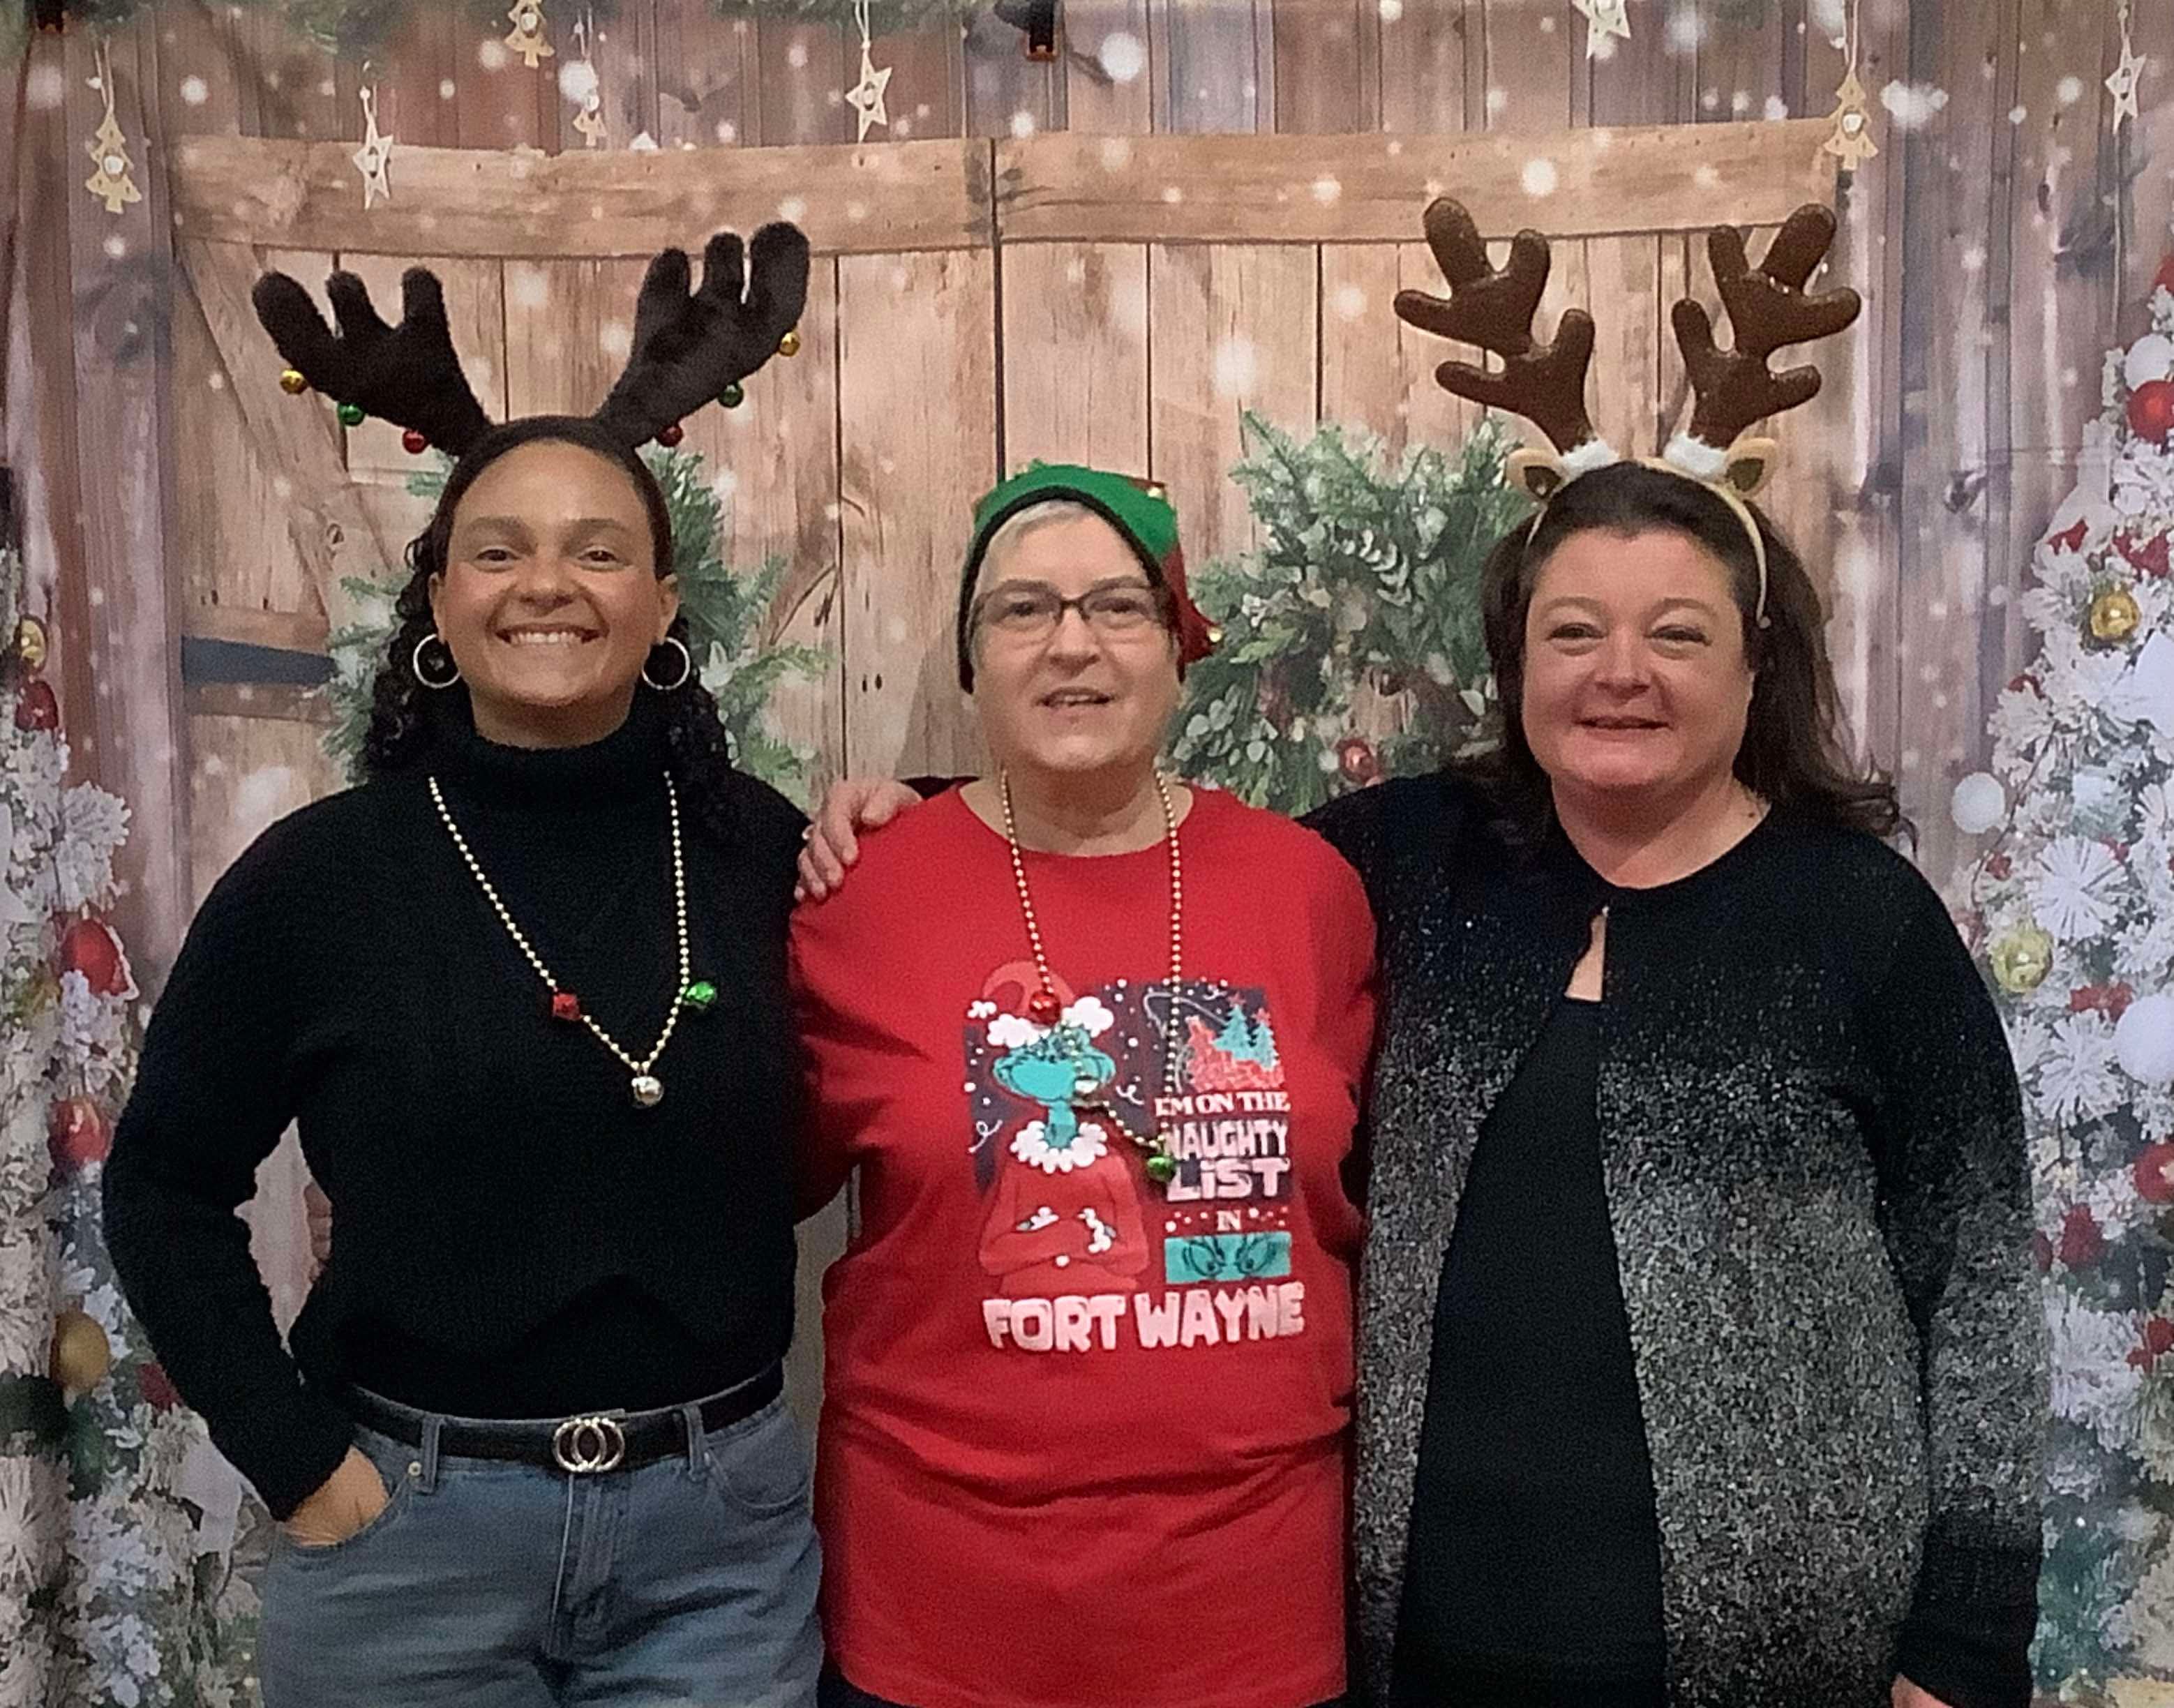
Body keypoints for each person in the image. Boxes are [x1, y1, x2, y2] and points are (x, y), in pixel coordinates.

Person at [797, 204, 2046, 1708]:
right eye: (1573, 633)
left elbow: (1979, 1275)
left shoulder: (1860, 918)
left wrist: (1965, 1636)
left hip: (1773, 1648)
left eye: (1676, 635)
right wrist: (914, 812)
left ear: (1753, 663)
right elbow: (1102, 832)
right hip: (1429, 1632)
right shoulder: (1411, 862)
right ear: (1517, 664)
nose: (1621, 674)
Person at [103, 229, 827, 1707]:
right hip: (405, 1552)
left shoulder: (762, 851)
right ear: (437, 602)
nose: (546, 583)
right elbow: (165, 1184)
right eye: (497, 550)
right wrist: (299, 1464)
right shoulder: (319, 882)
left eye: (598, 550)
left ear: (664, 602)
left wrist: (903, 809)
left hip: (720, 1557)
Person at [789, 464, 1377, 1708]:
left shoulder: (1308, 887)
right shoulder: (861, 895)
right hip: (941, 1612)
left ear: (1178, 648)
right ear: (970, 662)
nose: (1072, 645)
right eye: (1022, 610)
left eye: (1118, 606)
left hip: (1251, 1611)